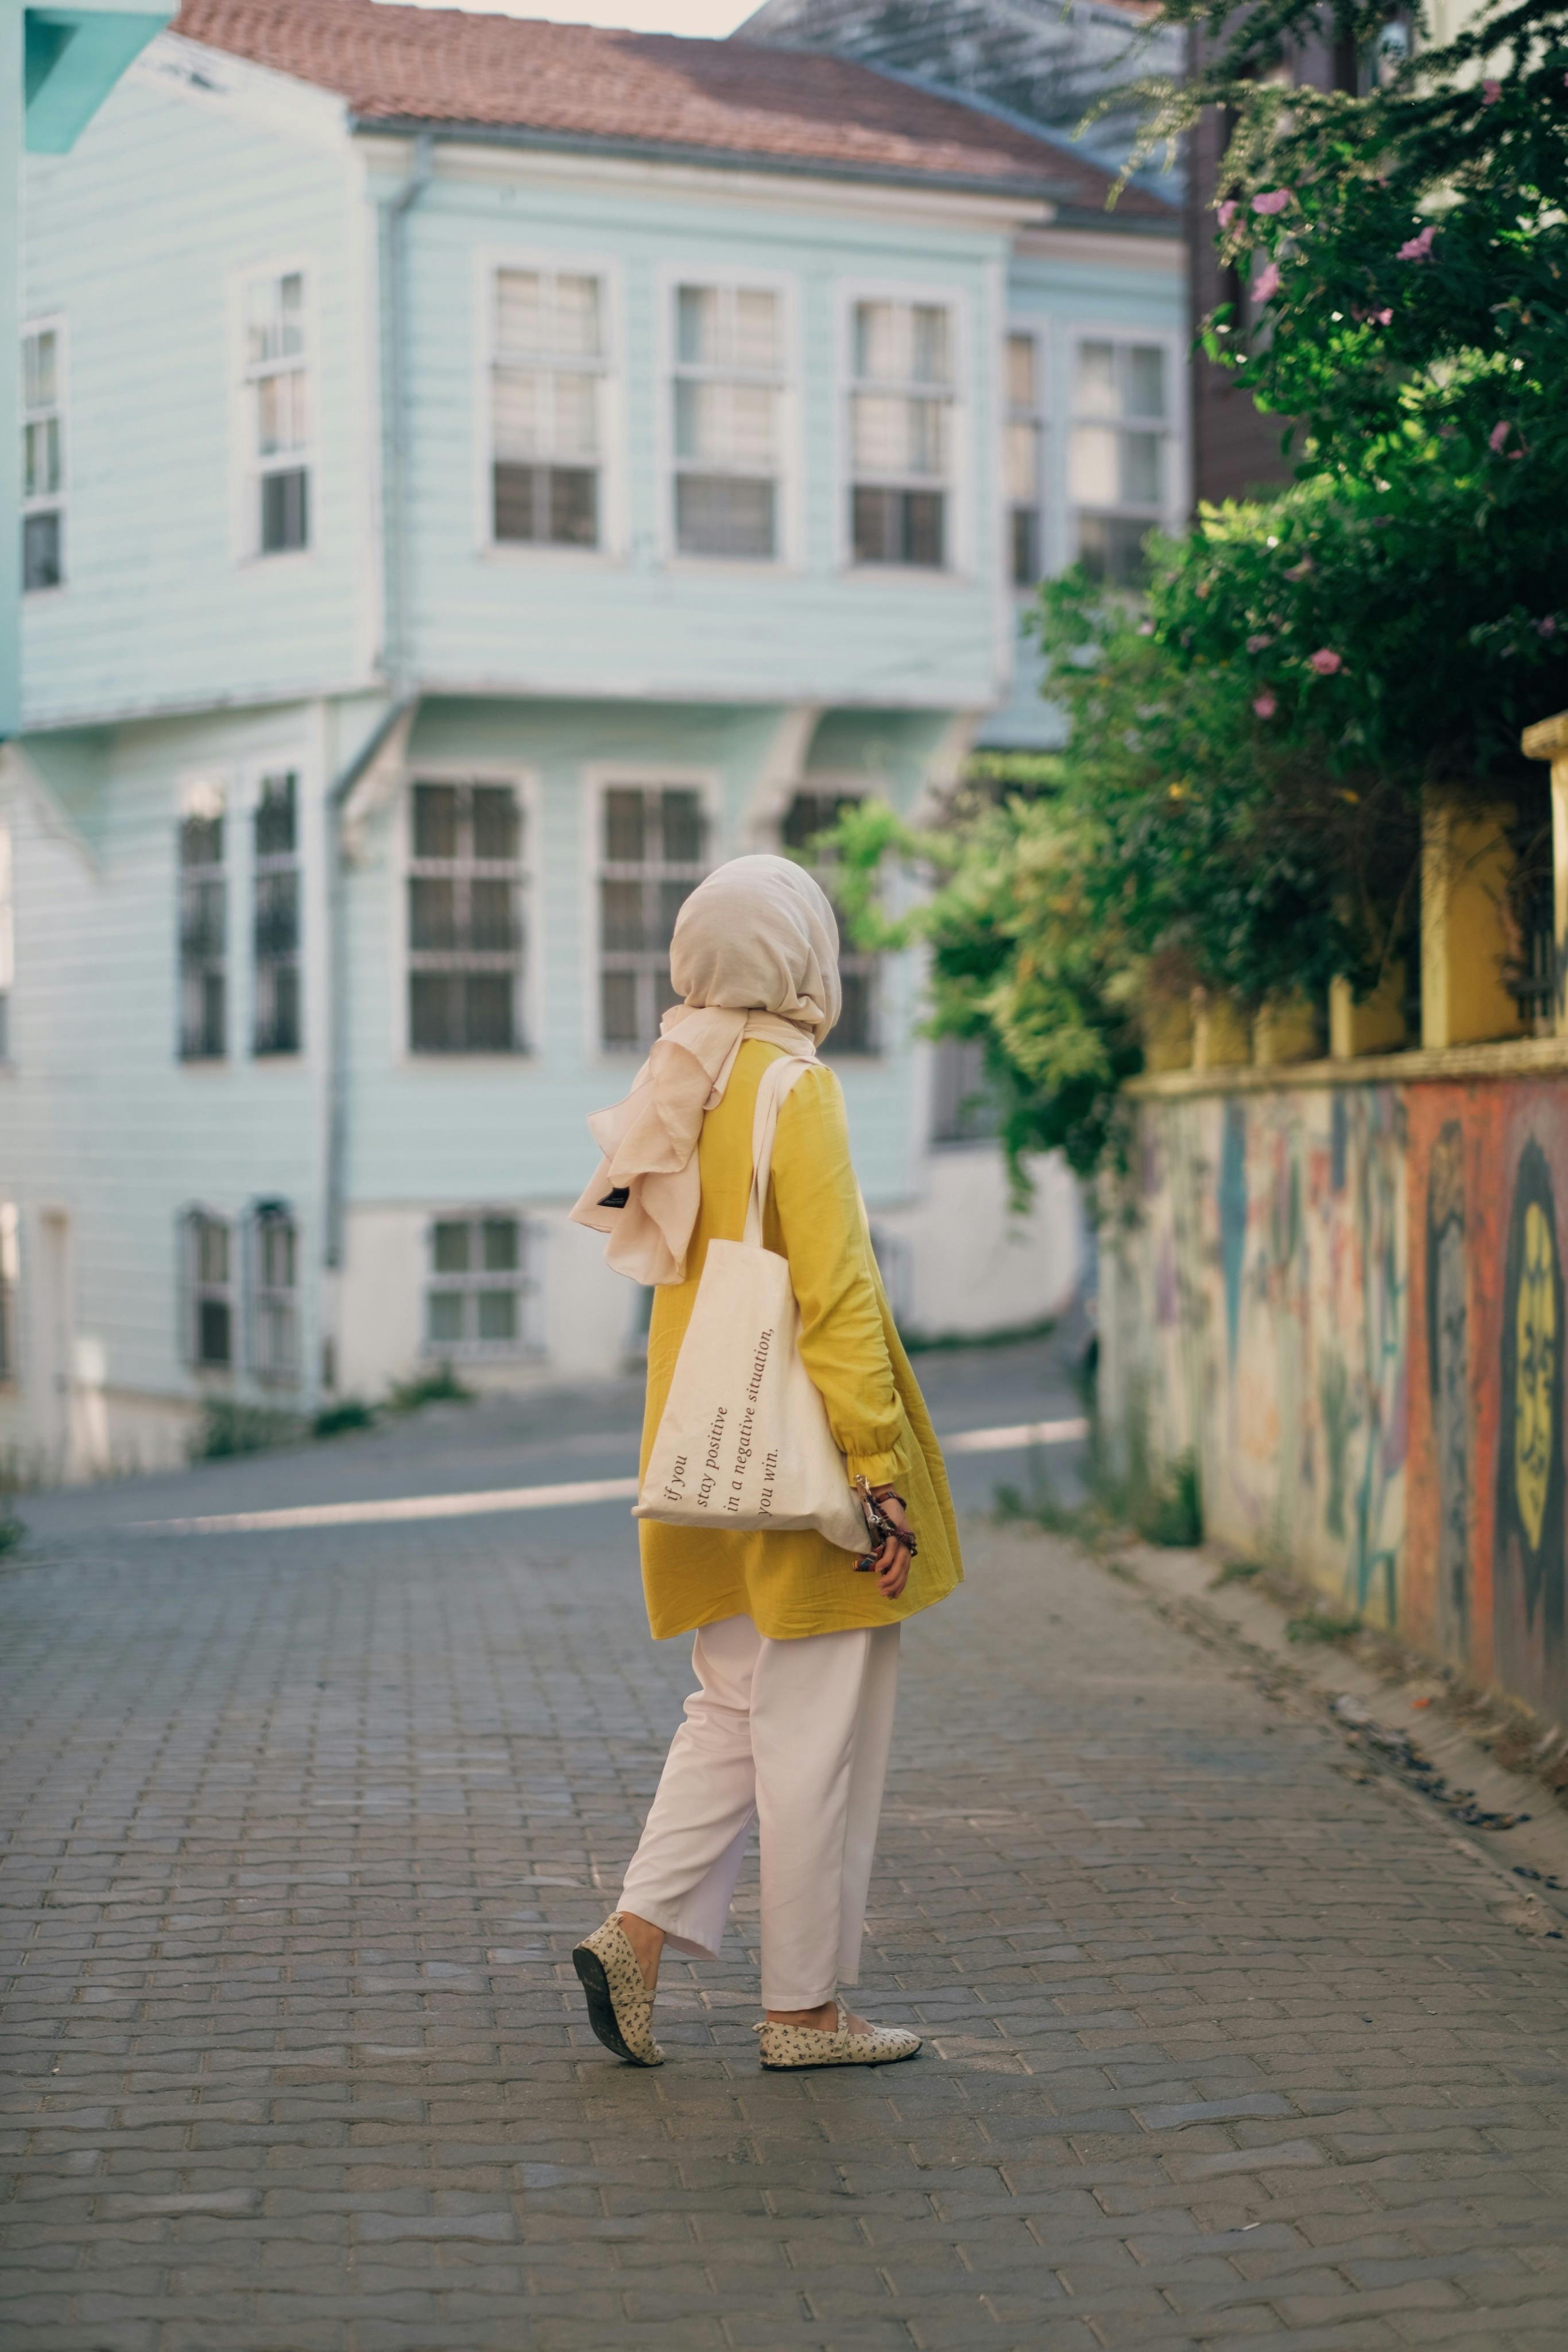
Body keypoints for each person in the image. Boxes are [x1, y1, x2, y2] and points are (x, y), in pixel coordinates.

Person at [567, 854, 962, 2069]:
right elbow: (836, 1291)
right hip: (800, 1461)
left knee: (733, 1708)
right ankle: (803, 2012)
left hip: (707, 1448)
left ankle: (635, 1936)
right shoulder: (797, 1087)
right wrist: (876, 1466)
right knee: (812, 1740)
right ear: (799, 957)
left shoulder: (679, 1076)